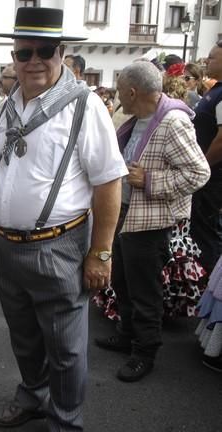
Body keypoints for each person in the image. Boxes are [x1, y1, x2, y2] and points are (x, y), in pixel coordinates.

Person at [0, 8, 128, 430]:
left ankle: (65, 421)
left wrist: (101, 253)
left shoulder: (85, 107)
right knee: (25, 337)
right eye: (24, 51)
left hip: (58, 247)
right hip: (5, 245)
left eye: (44, 51)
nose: (33, 60)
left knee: (66, 349)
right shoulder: (7, 106)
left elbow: (108, 184)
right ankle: (33, 395)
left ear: (61, 53)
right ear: (13, 55)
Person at [94, 61, 210, 382]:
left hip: (149, 222)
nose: (118, 97)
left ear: (133, 92)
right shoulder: (142, 118)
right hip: (126, 214)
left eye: (120, 91)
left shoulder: (172, 122)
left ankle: (144, 352)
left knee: (145, 291)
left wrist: (149, 180)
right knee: (123, 282)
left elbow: (199, 173)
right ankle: (128, 334)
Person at [191, 41, 222, 274]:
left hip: (212, 179)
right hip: (207, 176)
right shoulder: (215, 90)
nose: (206, 61)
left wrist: (200, 168)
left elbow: (221, 141)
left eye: (212, 57)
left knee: (207, 233)